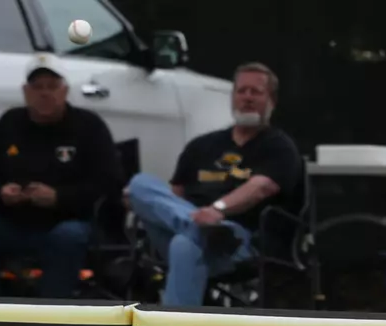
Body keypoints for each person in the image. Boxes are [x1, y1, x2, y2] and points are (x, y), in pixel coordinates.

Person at [124, 63, 303, 307]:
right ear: (232, 98)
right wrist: (190, 218)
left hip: (237, 241)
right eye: (241, 91)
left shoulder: (279, 147)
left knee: (185, 244)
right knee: (140, 184)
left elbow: (260, 188)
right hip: (194, 229)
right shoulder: (201, 146)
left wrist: (218, 210)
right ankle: (196, 228)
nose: (247, 98)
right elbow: (174, 196)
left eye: (256, 92)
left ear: (271, 100)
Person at [0, 61, 120, 299]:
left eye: (52, 86)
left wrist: (58, 198)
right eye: (37, 87)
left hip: (69, 222)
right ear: (25, 92)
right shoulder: (10, 122)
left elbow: (108, 182)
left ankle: (47, 315)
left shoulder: (88, 126)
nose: (44, 93)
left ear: (64, 91)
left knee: (68, 237)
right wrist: (1, 192)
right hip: (13, 222)